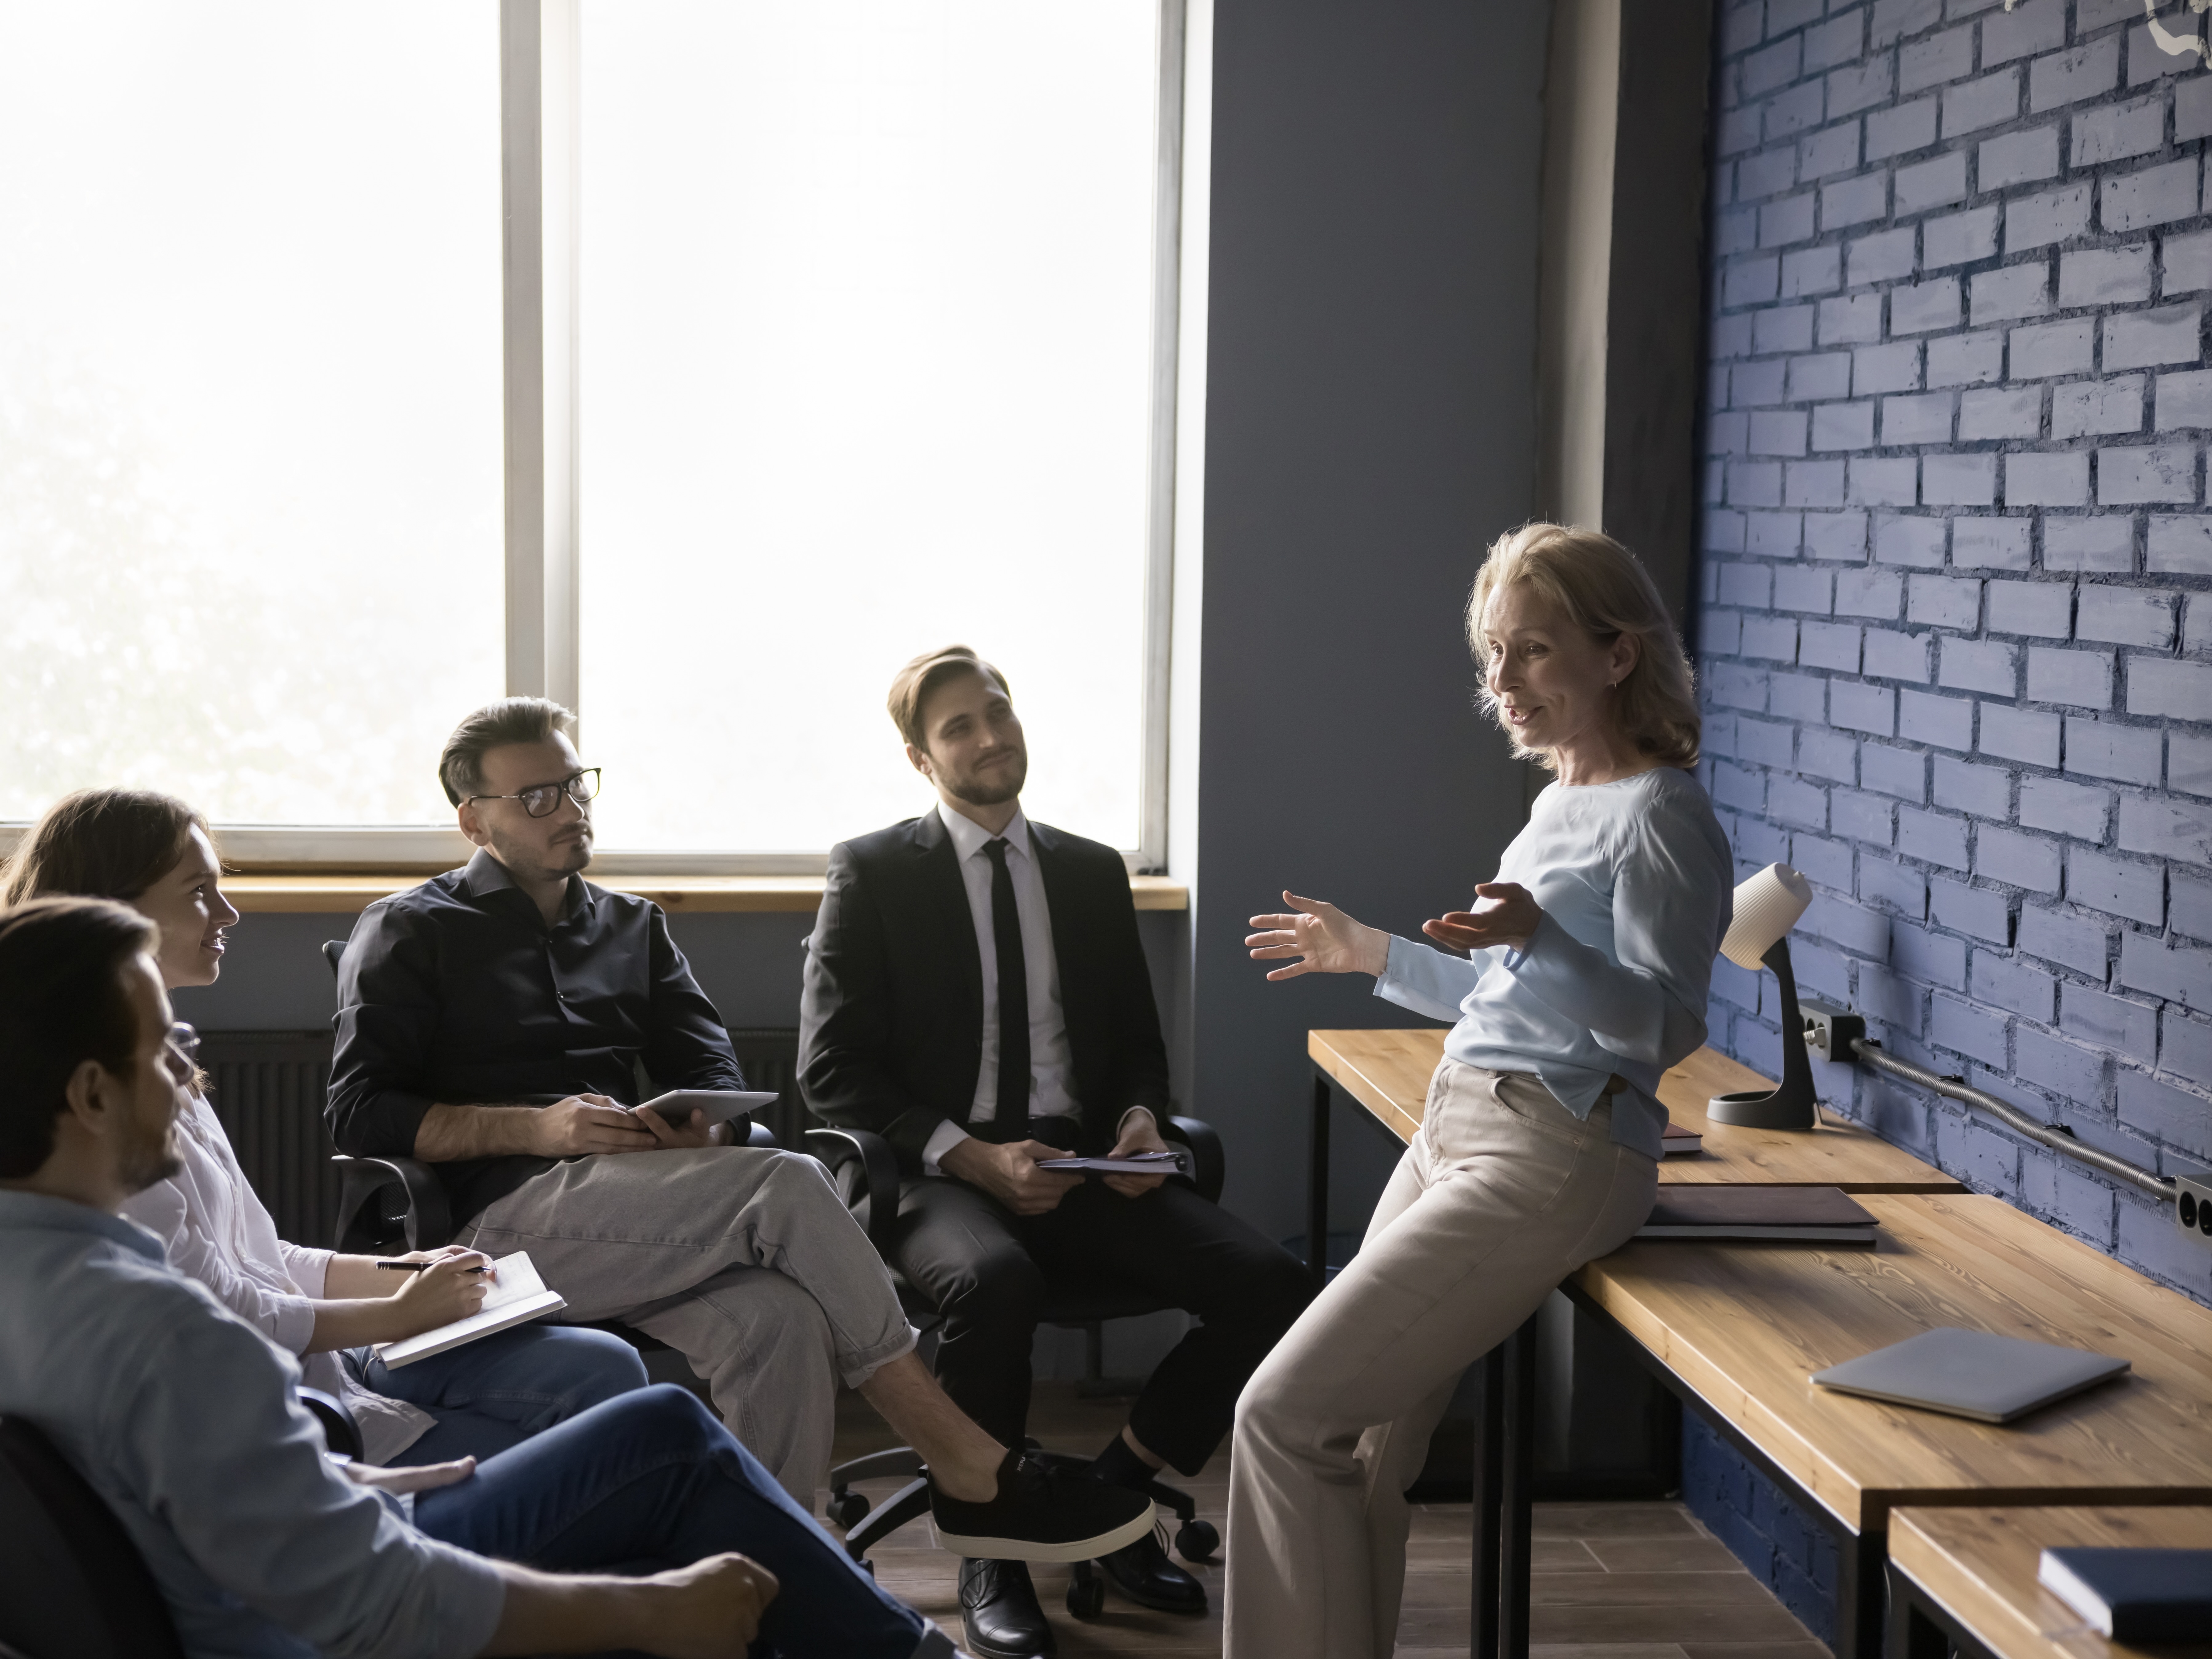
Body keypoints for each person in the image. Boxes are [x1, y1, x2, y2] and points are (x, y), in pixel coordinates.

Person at [0, 894, 978, 1659]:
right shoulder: (175, 1340)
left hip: (284, 1558)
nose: (187, 1075)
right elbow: (381, 1606)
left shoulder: (44, 1284)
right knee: (676, 1450)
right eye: (166, 1050)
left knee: (719, 1378)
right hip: (320, 1627)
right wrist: (648, 1611)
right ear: (90, 1094)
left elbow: (173, 1480)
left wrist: (321, 1471)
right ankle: (933, 1572)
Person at [327, 697, 1153, 1561]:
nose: (571, 812)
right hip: (485, 1236)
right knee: (789, 1181)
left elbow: (717, 1077)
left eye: (576, 786)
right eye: (538, 798)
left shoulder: (631, 926)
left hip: (637, 1212)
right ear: (473, 818)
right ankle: (962, 1459)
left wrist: (703, 1134)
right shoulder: (410, 927)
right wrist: (536, 1129)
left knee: (779, 1320)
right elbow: (359, 1113)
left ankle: (776, 1574)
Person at [1226, 524, 1733, 1659]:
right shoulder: (1560, 801)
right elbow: (1511, 993)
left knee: (1280, 1416)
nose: (1502, 683)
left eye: (1534, 652)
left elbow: (1666, 1024)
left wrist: (1542, 936)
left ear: (1618, 655)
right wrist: (1374, 954)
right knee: (1357, 1455)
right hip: (1462, 1119)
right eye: (1493, 654)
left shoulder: (1664, 814)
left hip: (1556, 1147)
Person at [800, 647, 1312, 1659]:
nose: (990, 736)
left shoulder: (1085, 871)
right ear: (919, 756)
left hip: (1081, 1169)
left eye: (999, 712)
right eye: (958, 726)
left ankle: (1108, 1504)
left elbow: (1133, 1045)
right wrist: (970, 1157)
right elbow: (833, 1070)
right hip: (944, 1178)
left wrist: (1138, 1122)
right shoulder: (872, 871)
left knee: (1270, 1283)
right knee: (994, 1284)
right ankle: (991, 1547)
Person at [0, 788, 649, 1467]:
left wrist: (401, 1272)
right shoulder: (92, 1129)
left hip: (327, 1364)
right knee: (624, 1443)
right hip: (292, 1405)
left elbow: (261, 1258)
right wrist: (401, 1314)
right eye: (199, 892)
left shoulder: (164, 1074)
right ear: (114, 910)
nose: (229, 912)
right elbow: (220, 1311)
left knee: (603, 1367)